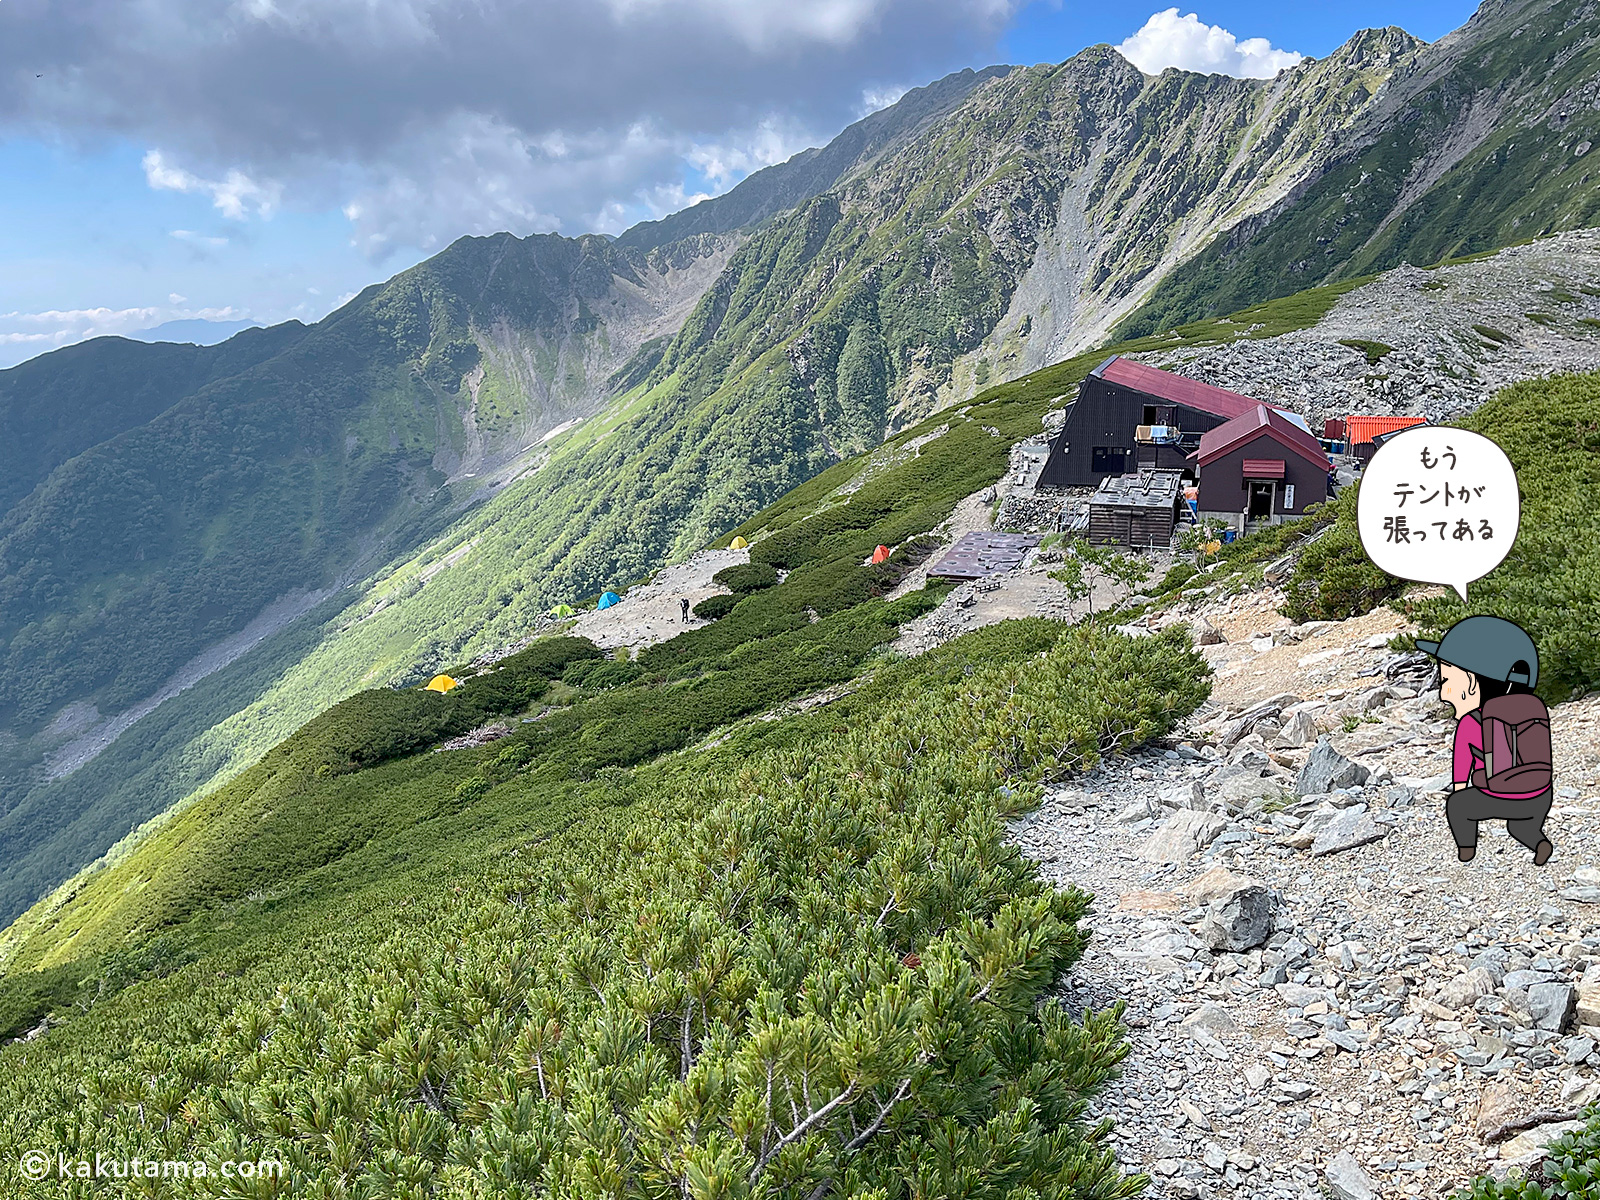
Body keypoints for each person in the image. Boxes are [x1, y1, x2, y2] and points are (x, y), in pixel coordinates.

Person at [1416, 616, 1554, 865]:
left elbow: (1461, 769)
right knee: (1519, 828)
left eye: (1446, 681)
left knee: (1458, 806)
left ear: (1471, 683)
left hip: (1499, 794)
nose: (1443, 693)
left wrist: (1461, 790)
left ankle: (1466, 850)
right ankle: (1540, 842)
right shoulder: (1533, 708)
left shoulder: (1471, 722)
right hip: (1541, 794)